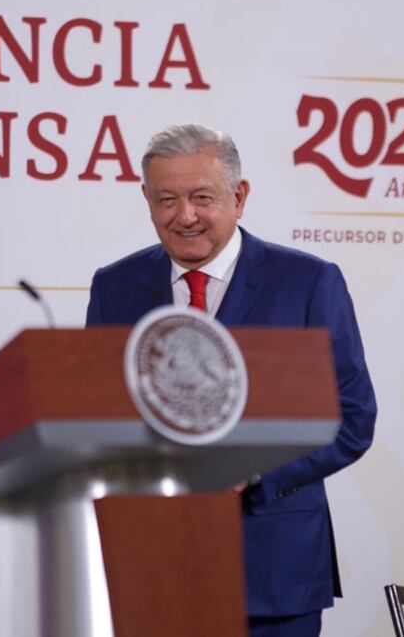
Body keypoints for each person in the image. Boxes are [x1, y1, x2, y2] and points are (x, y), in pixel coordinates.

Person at [85, 124, 377, 636]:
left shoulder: (308, 283)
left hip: (273, 575)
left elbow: (351, 420)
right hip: (153, 572)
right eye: (166, 199)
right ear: (146, 201)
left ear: (240, 197)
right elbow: (95, 419)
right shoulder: (115, 287)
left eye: (202, 197)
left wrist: (256, 473)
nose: (185, 216)